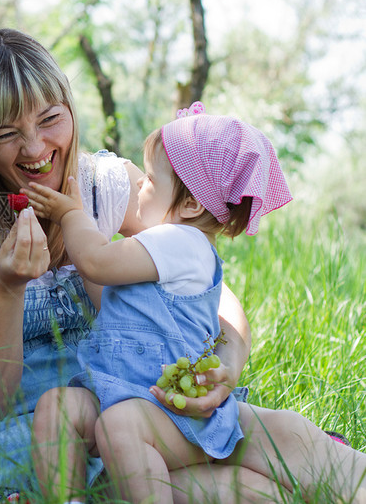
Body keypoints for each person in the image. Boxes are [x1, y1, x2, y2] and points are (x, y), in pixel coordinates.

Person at [0, 28, 365, 503]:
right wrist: (7, 288)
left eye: (50, 120)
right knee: (252, 492)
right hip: (20, 434)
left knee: (263, 477)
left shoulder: (104, 185)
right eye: (6, 133)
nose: (33, 148)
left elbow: (207, 287)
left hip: (120, 407)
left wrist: (227, 363)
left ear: (70, 109)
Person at [26, 105, 302, 502]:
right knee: (57, 408)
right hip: (123, 389)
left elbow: (97, 261)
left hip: (167, 407)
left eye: (151, 179)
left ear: (191, 205)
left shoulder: (180, 242)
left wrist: (71, 212)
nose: (140, 186)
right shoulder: (169, 245)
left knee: (119, 427)